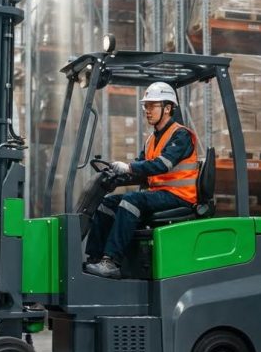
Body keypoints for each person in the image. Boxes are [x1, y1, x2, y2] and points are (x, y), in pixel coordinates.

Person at [84, 81, 199, 279]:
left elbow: (162, 165)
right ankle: (95, 258)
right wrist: (116, 175)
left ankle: (111, 262)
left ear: (168, 108)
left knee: (131, 201)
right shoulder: (151, 139)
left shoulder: (181, 136)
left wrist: (128, 167)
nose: (147, 110)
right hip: (159, 195)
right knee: (107, 203)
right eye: (146, 106)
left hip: (180, 196)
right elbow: (140, 167)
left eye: (152, 105)